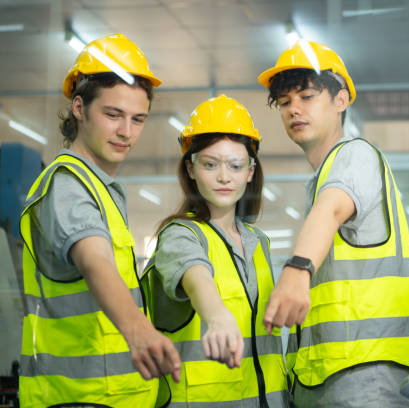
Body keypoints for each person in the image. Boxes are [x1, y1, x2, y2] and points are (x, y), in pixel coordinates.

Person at [257, 40, 409, 407]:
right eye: (285, 102)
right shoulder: (321, 178)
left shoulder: (355, 155)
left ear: (341, 100)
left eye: (307, 96)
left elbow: (333, 208)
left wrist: (297, 269)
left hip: (368, 373)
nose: (295, 110)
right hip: (332, 375)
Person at [18, 34, 181, 407]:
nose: (126, 132)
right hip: (78, 398)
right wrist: (138, 330)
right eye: (113, 115)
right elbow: (95, 262)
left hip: (112, 396)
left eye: (137, 119)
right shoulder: (67, 184)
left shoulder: (102, 188)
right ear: (79, 107)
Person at [141, 94, 289, 407]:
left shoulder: (258, 242)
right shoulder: (180, 235)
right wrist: (217, 316)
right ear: (191, 169)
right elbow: (196, 276)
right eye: (210, 164)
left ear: (250, 172)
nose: (224, 176)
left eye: (235, 165)